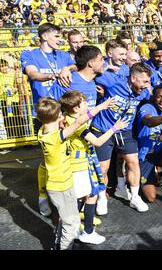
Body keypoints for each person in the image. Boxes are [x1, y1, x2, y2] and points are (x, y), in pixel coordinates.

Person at [35, 95, 114, 250]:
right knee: (71, 225)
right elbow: (78, 122)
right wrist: (100, 107)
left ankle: (57, 244)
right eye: (60, 114)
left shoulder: (41, 132)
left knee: (67, 220)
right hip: (62, 186)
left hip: (57, 184)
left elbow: (67, 120)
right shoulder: (56, 137)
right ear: (58, 116)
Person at [20, 23, 75, 217]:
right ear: (44, 36)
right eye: (57, 36)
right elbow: (33, 74)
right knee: (47, 158)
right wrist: (54, 75)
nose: (61, 40)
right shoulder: (30, 54)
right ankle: (43, 195)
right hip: (45, 115)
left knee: (68, 154)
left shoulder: (63, 55)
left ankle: (67, 195)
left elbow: (75, 64)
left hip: (65, 112)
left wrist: (68, 67)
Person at [59, 91, 128, 245]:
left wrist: (101, 107)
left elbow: (85, 115)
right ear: (76, 108)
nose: (86, 105)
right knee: (91, 195)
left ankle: (73, 229)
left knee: (81, 196)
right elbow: (97, 142)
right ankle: (87, 232)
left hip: (76, 163)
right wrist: (114, 128)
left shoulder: (68, 117)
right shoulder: (77, 125)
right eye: (83, 103)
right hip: (80, 165)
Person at [91, 62, 153, 215]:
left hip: (125, 131)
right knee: (103, 169)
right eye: (144, 81)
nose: (147, 85)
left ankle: (135, 197)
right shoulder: (113, 82)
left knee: (133, 162)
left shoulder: (143, 92)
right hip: (104, 129)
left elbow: (149, 93)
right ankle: (101, 198)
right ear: (133, 78)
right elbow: (90, 71)